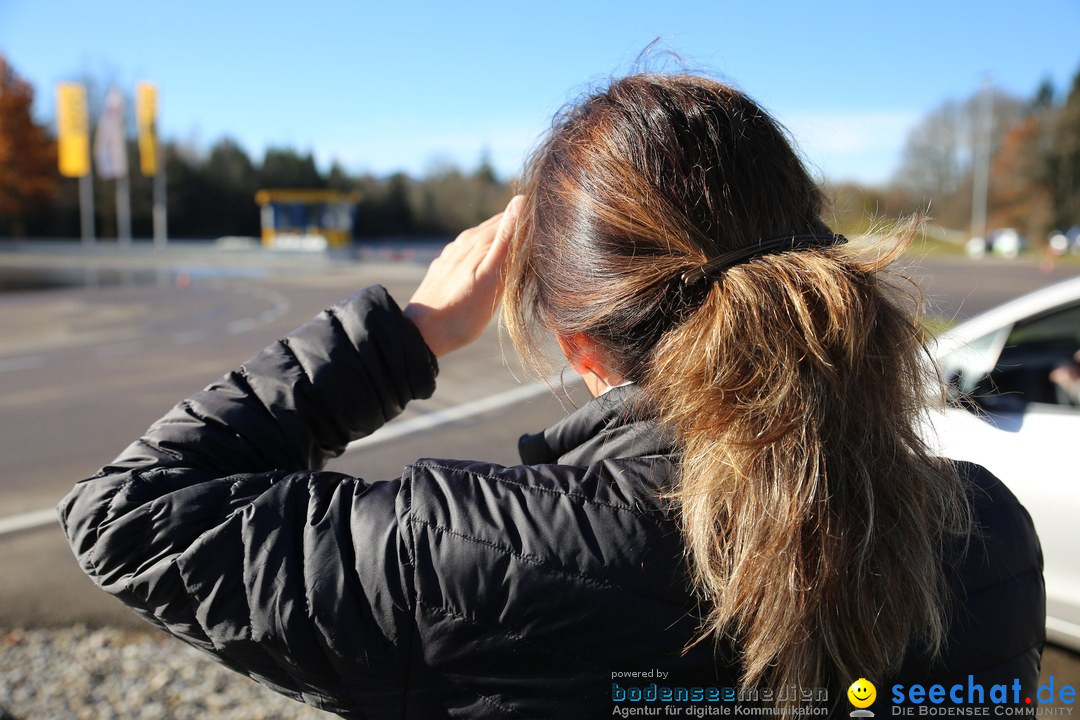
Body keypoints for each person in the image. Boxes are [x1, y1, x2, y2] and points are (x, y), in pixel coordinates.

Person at [59, 74, 1044, 718]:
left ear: (579, 341)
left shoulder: (489, 552)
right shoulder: (988, 541)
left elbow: (134, 514)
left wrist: (407, 335)